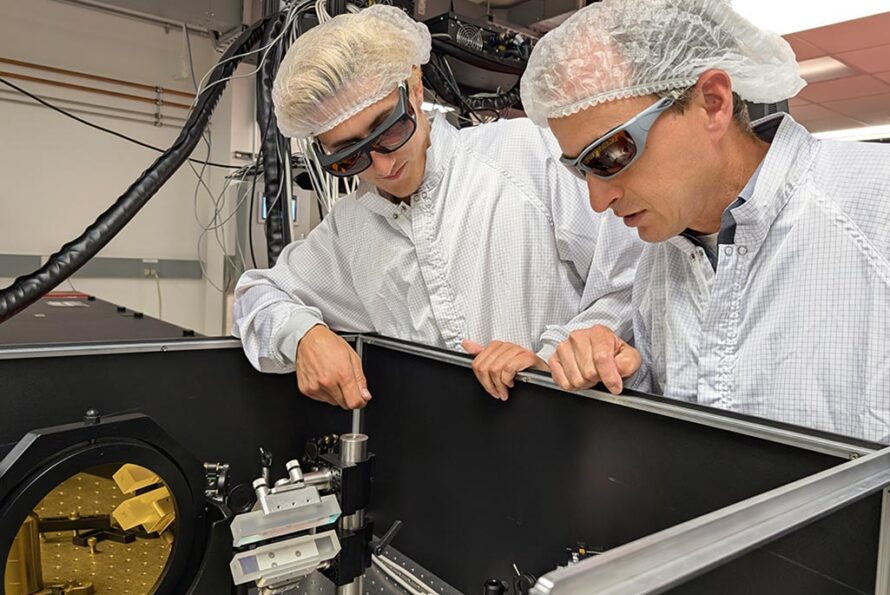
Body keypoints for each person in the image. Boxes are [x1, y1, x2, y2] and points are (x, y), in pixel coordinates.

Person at [233, 5, 641, 410]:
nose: (383, 166)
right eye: (349, 156)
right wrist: (303, 335)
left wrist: (551, 360)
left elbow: (631, 284)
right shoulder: (350, 230)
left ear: (413, 86)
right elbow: (257, 296)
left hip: (570, 432)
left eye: (389, 129)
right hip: (435, 440)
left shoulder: (529, 155)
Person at [520, 0, 890, 442]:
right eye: (581, 170)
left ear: (712, 103)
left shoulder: (875, 209)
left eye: (612, 154)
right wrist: (626, 381)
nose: (598, 201)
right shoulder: (661, 262)